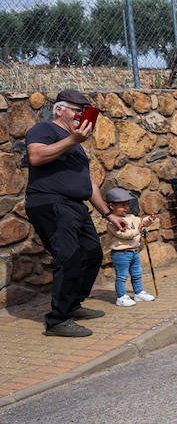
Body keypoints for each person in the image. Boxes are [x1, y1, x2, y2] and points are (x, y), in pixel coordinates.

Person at [24, 88, 127, 338]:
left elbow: (87, 183)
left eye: (84, 113)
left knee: (92, 254)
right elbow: (35, 156)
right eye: (77, 111)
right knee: (69, 257)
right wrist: (73, 140)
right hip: (50, 202)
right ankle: (58, 320)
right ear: (59, 110)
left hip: (75, 205)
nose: (81, 117)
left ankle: (72, 305)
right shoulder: (44, 129)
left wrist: (108, 214)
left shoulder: (75, 143)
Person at [104, 188, 157, 307]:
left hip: (134, 252)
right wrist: (138, 231)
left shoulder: (131, 217)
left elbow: (141, 222)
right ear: (112, 206)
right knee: (122, 276)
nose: (126, 208)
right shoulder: (112, 222)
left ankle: (138, 293)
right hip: (120, 254)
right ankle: (121, 297)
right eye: (123, 205)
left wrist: (149, 220)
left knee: (137, 274)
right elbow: (124, 235)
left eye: (127, 205)